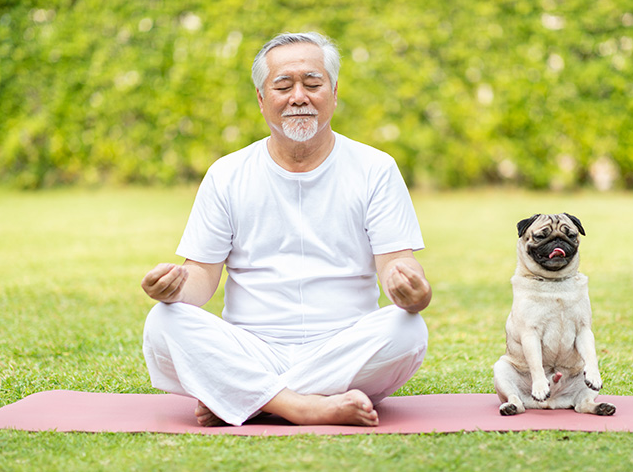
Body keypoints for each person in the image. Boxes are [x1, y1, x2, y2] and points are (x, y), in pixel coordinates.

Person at [141, 32, 432, 427]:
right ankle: (304, 406)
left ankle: (250, 397)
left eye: (313, 84)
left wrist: (414, 292)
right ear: (262, 99)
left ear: (333, 93)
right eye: (283, 86)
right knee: (163, 321)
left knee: (407, 329)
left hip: (343, 347)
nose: (299, 97)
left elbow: (398, 265)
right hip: (251, 349)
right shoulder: (227, 174)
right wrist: (176, 287)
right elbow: (201, 276)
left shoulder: (375, 168)